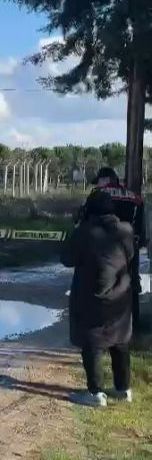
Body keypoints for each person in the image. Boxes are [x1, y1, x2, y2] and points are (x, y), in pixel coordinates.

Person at [62, 190, 134, 407]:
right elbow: (129, 255)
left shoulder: (85, 232)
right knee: (119, 341)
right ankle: (123, 390)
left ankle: (95, 393)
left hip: (92, 296)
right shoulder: (126, 230)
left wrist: (76, 228)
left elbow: (66, 259)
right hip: (120, 294)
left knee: (92, 341)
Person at [77, 166, 146, 334]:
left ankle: (100, 326)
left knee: (98, 284)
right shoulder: (134, 197)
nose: (98, 185)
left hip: (101, 246)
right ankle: (131, 324)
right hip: (129, 246)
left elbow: (85, 220)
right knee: (130, 282)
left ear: (107, 180)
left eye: (99, 181)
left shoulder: (98, 196)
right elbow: (141, 224)